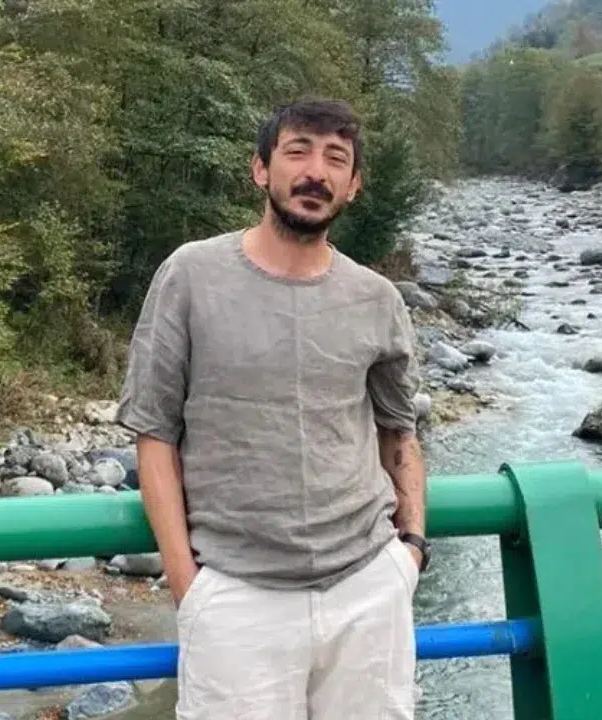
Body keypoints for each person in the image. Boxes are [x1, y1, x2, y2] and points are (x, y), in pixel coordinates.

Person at [114, 97, 428, 720]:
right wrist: (188, 587)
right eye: (297, 152)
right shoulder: (191, 275)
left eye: (335, 159)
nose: (316, 172)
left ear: (354, 185)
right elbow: (154, 433)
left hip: (368, 589)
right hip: (236, 596)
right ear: (261, 169)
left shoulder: (376, 298)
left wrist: (412, 549)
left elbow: (399, 432)